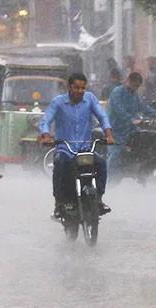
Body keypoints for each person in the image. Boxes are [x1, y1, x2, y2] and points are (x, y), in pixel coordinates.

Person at [39, 73, 114, 217]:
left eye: (83, 88)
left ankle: (98, 199)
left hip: (85, 149)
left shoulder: (90, 99)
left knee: (101, 164)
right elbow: (46, 120)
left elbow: (102, 116)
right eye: (77, 88)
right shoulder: (58, 102)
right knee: (60, 164)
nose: (80, 91)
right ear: (69, 87)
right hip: (64, 149)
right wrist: (46, 135)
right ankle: (59, 202)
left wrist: (109, 134)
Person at [107, 72, 156, 168]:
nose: (136, 88)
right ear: (128, 81)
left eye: (138, 86)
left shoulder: (134, 95)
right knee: (116, 155)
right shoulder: (117, 92)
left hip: (130, 130)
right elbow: (119, 110)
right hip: (115, 130)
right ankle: (108, 178)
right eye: (135, 85)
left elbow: (143, 107)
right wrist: (131, 119)